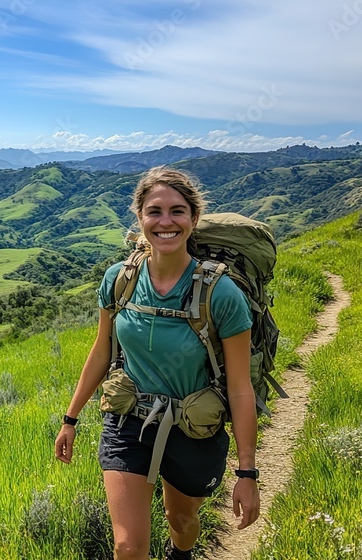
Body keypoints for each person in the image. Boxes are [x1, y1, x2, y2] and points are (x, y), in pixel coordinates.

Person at [54, 167, 260, 560]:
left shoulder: (221, 294)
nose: (166, 222)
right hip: (128, 420)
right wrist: (70, 419)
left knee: (181, 521)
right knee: (128, 547)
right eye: (155, 211)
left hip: (193, 427)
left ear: (193, 218)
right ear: (140, 217)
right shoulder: (119, 280)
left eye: (177, 211)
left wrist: (247, 473)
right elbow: (101, 352)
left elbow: (239, 387)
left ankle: (180, 554)